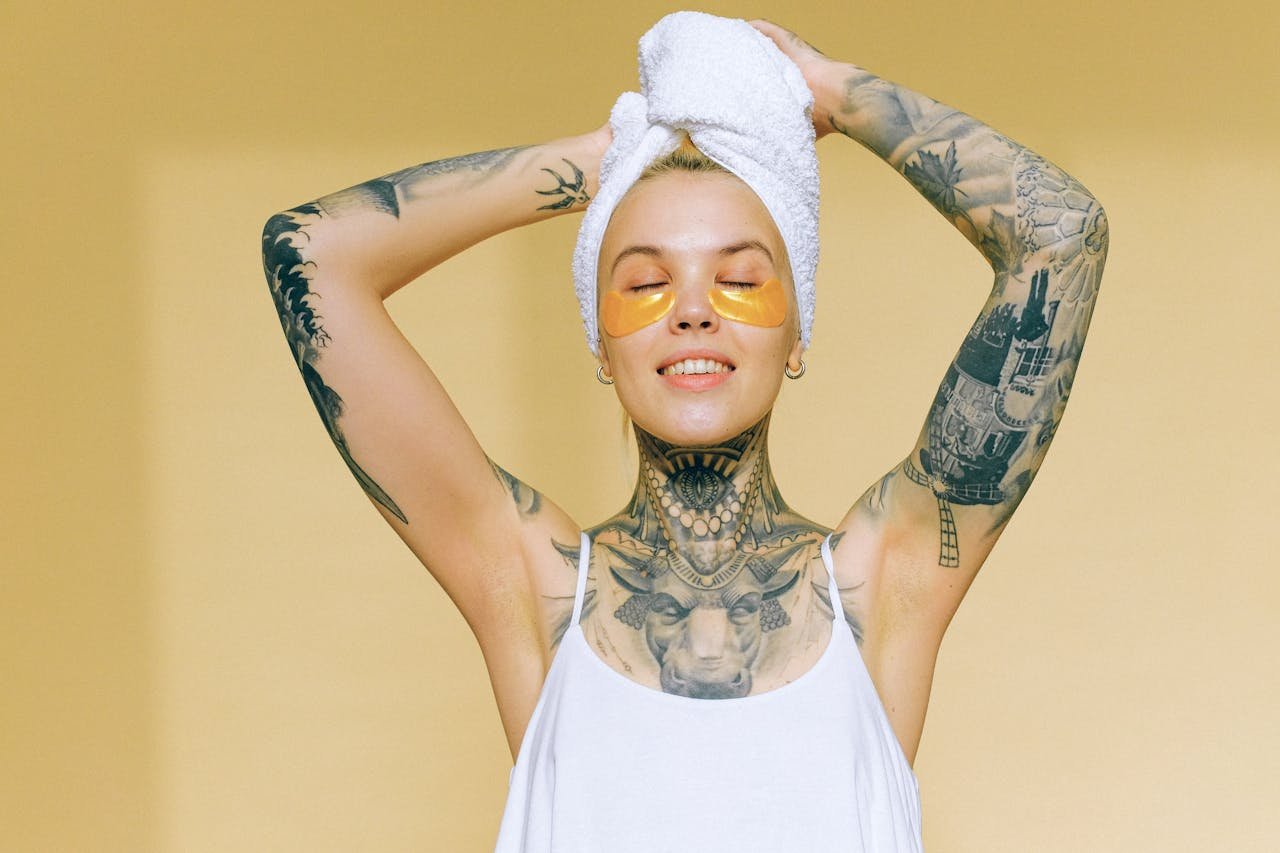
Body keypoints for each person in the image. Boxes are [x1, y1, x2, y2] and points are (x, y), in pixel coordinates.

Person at [261, 14, 1108, 852]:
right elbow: (311, 255)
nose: (694, 310)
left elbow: (1062, 238)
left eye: (739, 278)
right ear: (601, 344)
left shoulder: (882, 584)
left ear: (797, 334)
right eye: (644, 282)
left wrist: (829, 92)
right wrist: (612, 161)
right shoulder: (533, 587)